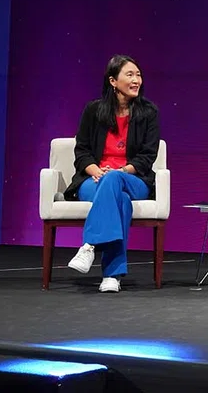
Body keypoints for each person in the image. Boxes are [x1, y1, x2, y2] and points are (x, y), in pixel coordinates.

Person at [65, 55, 161, 293]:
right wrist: (95, 170)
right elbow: (82, 150)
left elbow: (147, 156)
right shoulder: (93, 110)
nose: (136, 79)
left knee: (115, 180)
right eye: (130, 75)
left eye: (138, 74)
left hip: (134, 179)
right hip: (93, 179)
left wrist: (119, 171)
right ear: (113, 81)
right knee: (122, 203)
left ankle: (89, 245)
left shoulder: (149, 112)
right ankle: (112, 276)